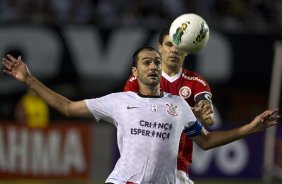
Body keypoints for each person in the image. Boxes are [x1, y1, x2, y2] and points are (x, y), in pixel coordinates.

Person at [2, 47, 280, 184]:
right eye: (146, 62)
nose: (153, 66)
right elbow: (66, 107)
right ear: (134, 72)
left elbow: (205, 141)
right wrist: (28, 79)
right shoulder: (119, 101)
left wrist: (250, 128)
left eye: (157, 62)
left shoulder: (179, 105)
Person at [124, 27, 214, 183]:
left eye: (180, 46)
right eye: (169, 45)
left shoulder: (196, 82)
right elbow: (129, 114)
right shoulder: (138, 80)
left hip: (177, 166)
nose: (174, 50)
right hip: (138, 164)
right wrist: (187, 113)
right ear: (160, 48)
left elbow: (206, 111)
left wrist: (205, 111)